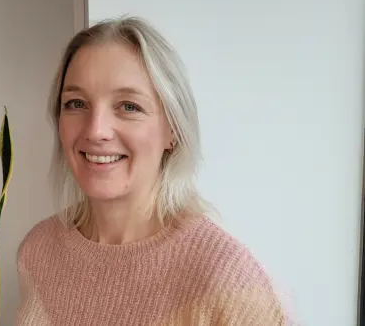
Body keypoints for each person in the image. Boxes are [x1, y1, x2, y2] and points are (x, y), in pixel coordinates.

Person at [15, 16, 291, 325]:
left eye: (129, 106)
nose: (95, 130)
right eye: (76, 103)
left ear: (172, 129)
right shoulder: (38, 250)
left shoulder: (230, 282)